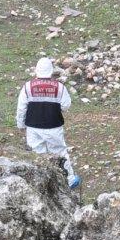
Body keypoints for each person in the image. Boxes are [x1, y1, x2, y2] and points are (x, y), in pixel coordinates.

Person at [16, 57, 81, 188]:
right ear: (51, 71)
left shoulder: (28, 87)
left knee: (37, 154)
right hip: (54, 125)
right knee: (60, 152)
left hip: (33, 127)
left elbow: (21, 108)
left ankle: (41, 183)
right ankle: (69, 180)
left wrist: (20, 124)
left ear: (37, 71)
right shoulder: (59, 87)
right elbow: (66, 105)